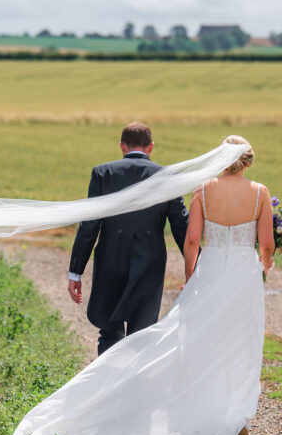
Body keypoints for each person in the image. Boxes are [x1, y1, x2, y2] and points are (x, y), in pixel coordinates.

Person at [13, 135, 273, 435]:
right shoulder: (257, 193)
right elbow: (262, 244)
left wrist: (193, 276)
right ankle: (227, 416)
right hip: (229, 275)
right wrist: (262, 264)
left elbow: (189, 239)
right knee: (234, 343)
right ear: (248, 161)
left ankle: (121, 406)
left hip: (177, 269)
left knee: (179, 342)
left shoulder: (200, 189)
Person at [67, 122, 190, 355]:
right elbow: (181, 225)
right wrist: (195, 267)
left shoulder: (103, 173)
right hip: (150, 262)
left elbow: (89, 225)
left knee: (109, 331)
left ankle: (107, 385)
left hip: (110, 261)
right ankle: (135, 387)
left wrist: (76, 271)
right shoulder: (167, 176)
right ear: (151, 147)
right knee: (142, 333)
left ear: (122, 146)